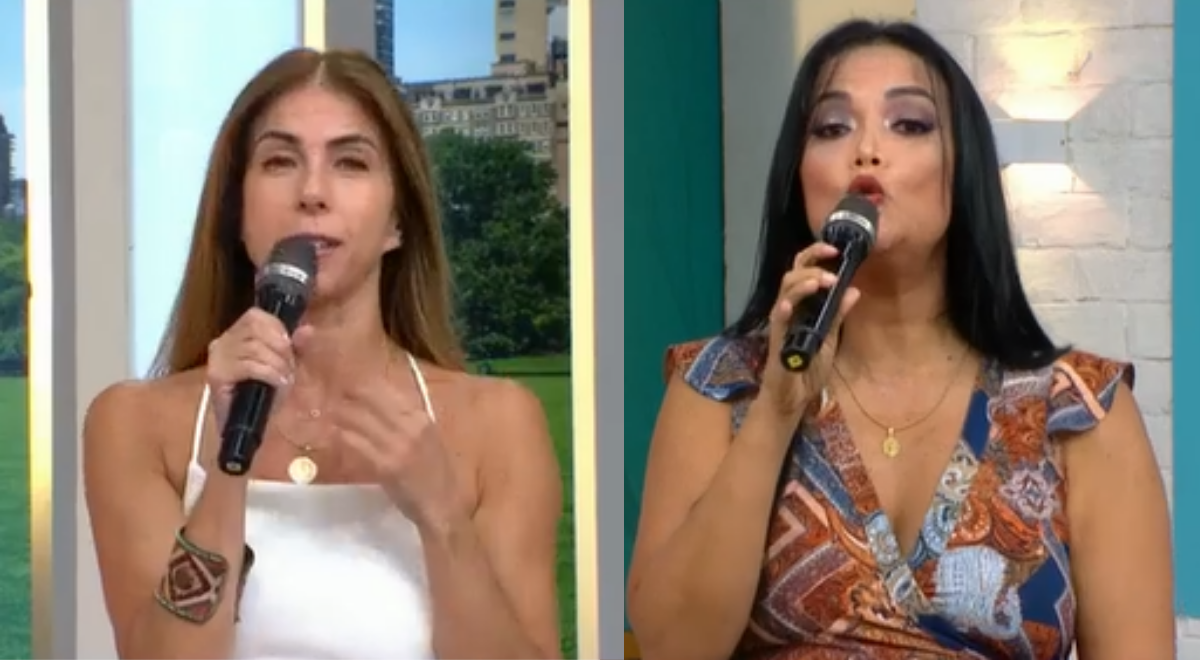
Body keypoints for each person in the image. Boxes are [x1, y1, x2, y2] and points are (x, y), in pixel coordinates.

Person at [626, 19, 1174, 660]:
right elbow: (671, 646)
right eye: (832, 127)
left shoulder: (1079, 411)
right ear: (799, 174)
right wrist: (775, 410)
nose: (866, 149)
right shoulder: (719, 385)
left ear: (962, 171)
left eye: (908, 124)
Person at [82, 48, 563, 660]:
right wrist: (230, 466)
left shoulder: (500, 424)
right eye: (280, 161)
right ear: (236, 211)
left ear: (398, 220)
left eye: (351, 162)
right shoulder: (133, 424)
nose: (312, 192)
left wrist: (443, 518)